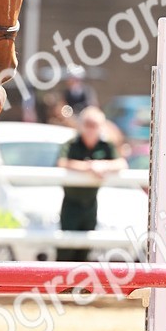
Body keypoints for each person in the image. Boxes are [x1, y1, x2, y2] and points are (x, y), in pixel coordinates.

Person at [56, 106, 127, 260]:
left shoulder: (105, 145)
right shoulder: (72, 143)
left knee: (85, 250)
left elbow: (121, 163)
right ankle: (62, 285)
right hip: (71, 203)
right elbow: (62, 162)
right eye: (88, 124)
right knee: (65, 251)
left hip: (90, 204)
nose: (91, 129)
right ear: (81, 125)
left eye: (95, 125)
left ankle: (80, 284)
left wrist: (103, 166)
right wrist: (89, 167)